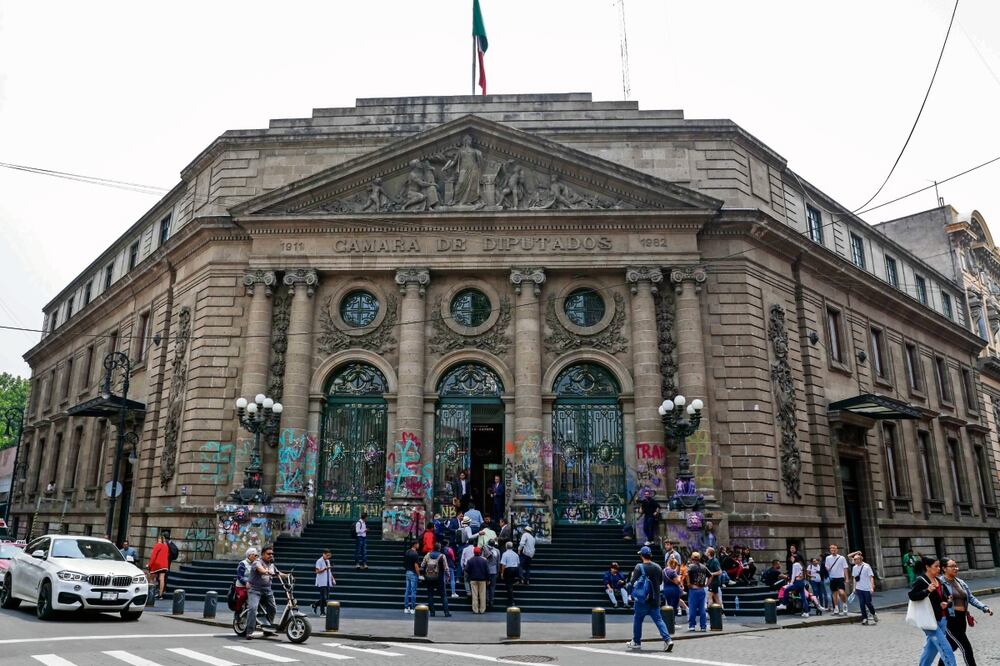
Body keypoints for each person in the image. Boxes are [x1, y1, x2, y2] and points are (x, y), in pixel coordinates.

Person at [939, 558, 992, 666]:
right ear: (944, 568)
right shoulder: (940, 584)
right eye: (952, 566)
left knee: (952, 647)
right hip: (950, 620)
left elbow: (971, 598)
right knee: (966, 648)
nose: (956, 568)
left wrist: (984, 608)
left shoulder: (960, 582)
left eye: (956, 565)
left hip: (961, 620)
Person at [908, 556, 957, 666]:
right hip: (930, 622)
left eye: (939, 566)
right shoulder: (921, 581)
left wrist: (947, 602)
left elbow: (945, 598)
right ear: (927, 567)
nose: (939, 568)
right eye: (936, 566)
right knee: (946, 650)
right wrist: (927, 590)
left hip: (942, 619)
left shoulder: (939, 580)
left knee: (930, 650)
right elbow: (912, 596)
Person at [624, 545, 673, 652]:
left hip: (642, 600)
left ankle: (636, 641)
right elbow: (660, 582)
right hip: (655, 599)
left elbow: (632, 583)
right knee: (659, 620)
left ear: (642, 556)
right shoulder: (658, 567)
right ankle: (668, 640)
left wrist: (628, 589)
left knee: (638, 619)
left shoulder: (639, 567)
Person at [245, 546, 279, 640]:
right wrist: (267, 572)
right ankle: (249, 631)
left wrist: (288, 575)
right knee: (253, 608)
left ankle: (268, 630)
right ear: (263, 554)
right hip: (255, 590)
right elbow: (261, 570)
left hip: (267, 590)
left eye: (272, 554)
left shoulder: (271, 565)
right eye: (269, 554)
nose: (271, 555)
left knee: (273, 608)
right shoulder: (257, 562)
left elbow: (278, 573)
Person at [421, 541, 451, 617]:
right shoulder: (442, 556)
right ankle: (446, 612)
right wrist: (448, 576)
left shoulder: (428, 555)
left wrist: (424, 575)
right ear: (439, 548)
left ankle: (432, 612)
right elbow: (446, 568)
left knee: (430, 595)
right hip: (440, 578)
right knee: (443, 595)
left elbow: (422, 565)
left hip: (429, 578)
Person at [849, 551, 876, 624]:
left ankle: (873, 613)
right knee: (861, 604)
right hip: (859, 588)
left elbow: (871, 577)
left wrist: (872, 587)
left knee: (868, 603)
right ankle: (865, 618)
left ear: (860, 559)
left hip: (867, 588)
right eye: (854, 559)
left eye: (855, 559)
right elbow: (854, 578)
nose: (854, 561)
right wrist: (854, 588)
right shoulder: (854, 567)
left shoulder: (867, 566)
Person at [685, 552, 710, 632]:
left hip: (693, 589)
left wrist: (689, 584)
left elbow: (686, 574)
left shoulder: (690, 566)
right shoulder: (703, 567)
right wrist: (706, 584)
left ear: (692, 558)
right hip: (701, 589)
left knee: (692, 608)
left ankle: (692, 625)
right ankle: (703, 626)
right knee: (702, 609)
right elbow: (711, 575)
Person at [825, 544, 849, 615]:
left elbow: (845, 568)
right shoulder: (828, 558)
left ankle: (844, 604)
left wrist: (847, 578)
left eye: (834, 549)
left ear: (837, 549)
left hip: (840, 577)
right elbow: (827, 566)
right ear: (830, 550)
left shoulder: (842, 558)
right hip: (832, 578)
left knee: (841, 592)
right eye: (831, 549)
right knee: (834, 593)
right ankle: (836, 608)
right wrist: (827, 568)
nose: (833, 550)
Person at [233, 547, 258, 617]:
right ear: (249, 555)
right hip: (241, 586)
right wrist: (246, 582)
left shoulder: (257, 563)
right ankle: (237, 611)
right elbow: (239, 576)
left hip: (253, 586)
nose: (256, 557)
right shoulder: (243, 563)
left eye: (256, 555)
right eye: (254, 555)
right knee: (243, 596)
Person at [465, 546, 490, 614]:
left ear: (474, 552)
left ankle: (475, 610)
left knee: (475, 595)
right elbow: (487, 571)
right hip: (482, 580)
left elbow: (466, 570)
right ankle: (482, 610)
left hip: (473, 580)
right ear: (480, 552)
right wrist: (488, 579)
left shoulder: (470, 560)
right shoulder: (484, 560)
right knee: (482, 595)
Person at [312, 548, 336, 616]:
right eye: (327, 555)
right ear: (324, 554)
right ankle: (322, 612)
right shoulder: (319, 561)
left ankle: (315, 604)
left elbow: (329, 571)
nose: (328, 557)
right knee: (323, 598)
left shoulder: (328, 561)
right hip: (322, 581)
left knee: (326, 598)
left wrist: (333, 579)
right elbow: (317, 571)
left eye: (329, 555)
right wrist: (325, 569)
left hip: (327, 581)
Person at [147, 533, 170, 599]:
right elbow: (167, 555)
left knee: (151, 577)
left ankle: (150, 593)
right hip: (165, 565)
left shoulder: (157, 545)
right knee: (161, 578)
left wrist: (149, 564)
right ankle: (160, 594)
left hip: (157, 564)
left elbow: (153, 556)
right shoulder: (166, 547)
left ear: (159, 539)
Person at [402, 541, 421, 614]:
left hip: (407, 572)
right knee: (413, 591)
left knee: (407, 590)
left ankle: (406, 607)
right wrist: (418, 574)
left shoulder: (407, 552)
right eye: (418, 544)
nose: (419, 545)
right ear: (415, 545)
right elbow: (416, 566)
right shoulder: (415, 553)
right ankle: (413, 608)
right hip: (413, 573)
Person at [500, 541, 520, 607]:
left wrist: (502, 573)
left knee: (509, 586)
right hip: (515, 569)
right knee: (510, 584)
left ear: (506, 547)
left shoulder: (505, 554)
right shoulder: (515, 554)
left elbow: (503, 564)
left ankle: (511, 601)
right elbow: (518, 564)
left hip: (508, 569)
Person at [483, 539, 500, 608]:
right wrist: (498, 571)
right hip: (494, 570)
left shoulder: (485, 549)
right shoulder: (497, 551)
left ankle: (486, 600)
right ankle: (491, 601)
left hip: (486, 570)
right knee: (492, 587)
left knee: (486, 587)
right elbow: (498, 562)